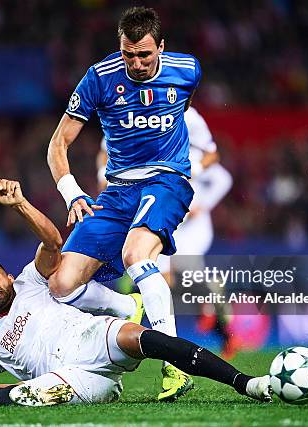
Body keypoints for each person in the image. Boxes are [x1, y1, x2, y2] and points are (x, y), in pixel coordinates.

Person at [0, 178, 271, 408]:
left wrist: (21, 204)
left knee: (147, 338)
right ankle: (76, 389)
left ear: (7, 277)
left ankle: (244, 383)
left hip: (93, 338)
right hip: (70, 377)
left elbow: (52, 241)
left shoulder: (30, 281)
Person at [46, 6, 200, 400]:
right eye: (128, 54)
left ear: (161, 47)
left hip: (167, 181)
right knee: (61, 283)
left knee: (136, 255)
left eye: (145, 54)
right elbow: (58, 144)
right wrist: (73, 192)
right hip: (116, 191)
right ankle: (124, 305)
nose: (136, 63)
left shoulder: (187, 70)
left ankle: (176, 365)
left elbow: (178, 113)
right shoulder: (99, 78)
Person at [97, 107, 238, 358]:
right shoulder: (129, 119)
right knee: (162, 277)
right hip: (163, 220)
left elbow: (218, 168)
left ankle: (219, 323)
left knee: (183, 272)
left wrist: (202, 203)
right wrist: (104, 178)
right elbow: (105, 151)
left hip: (192, 227)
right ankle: (192, 323)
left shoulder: (189, 132)